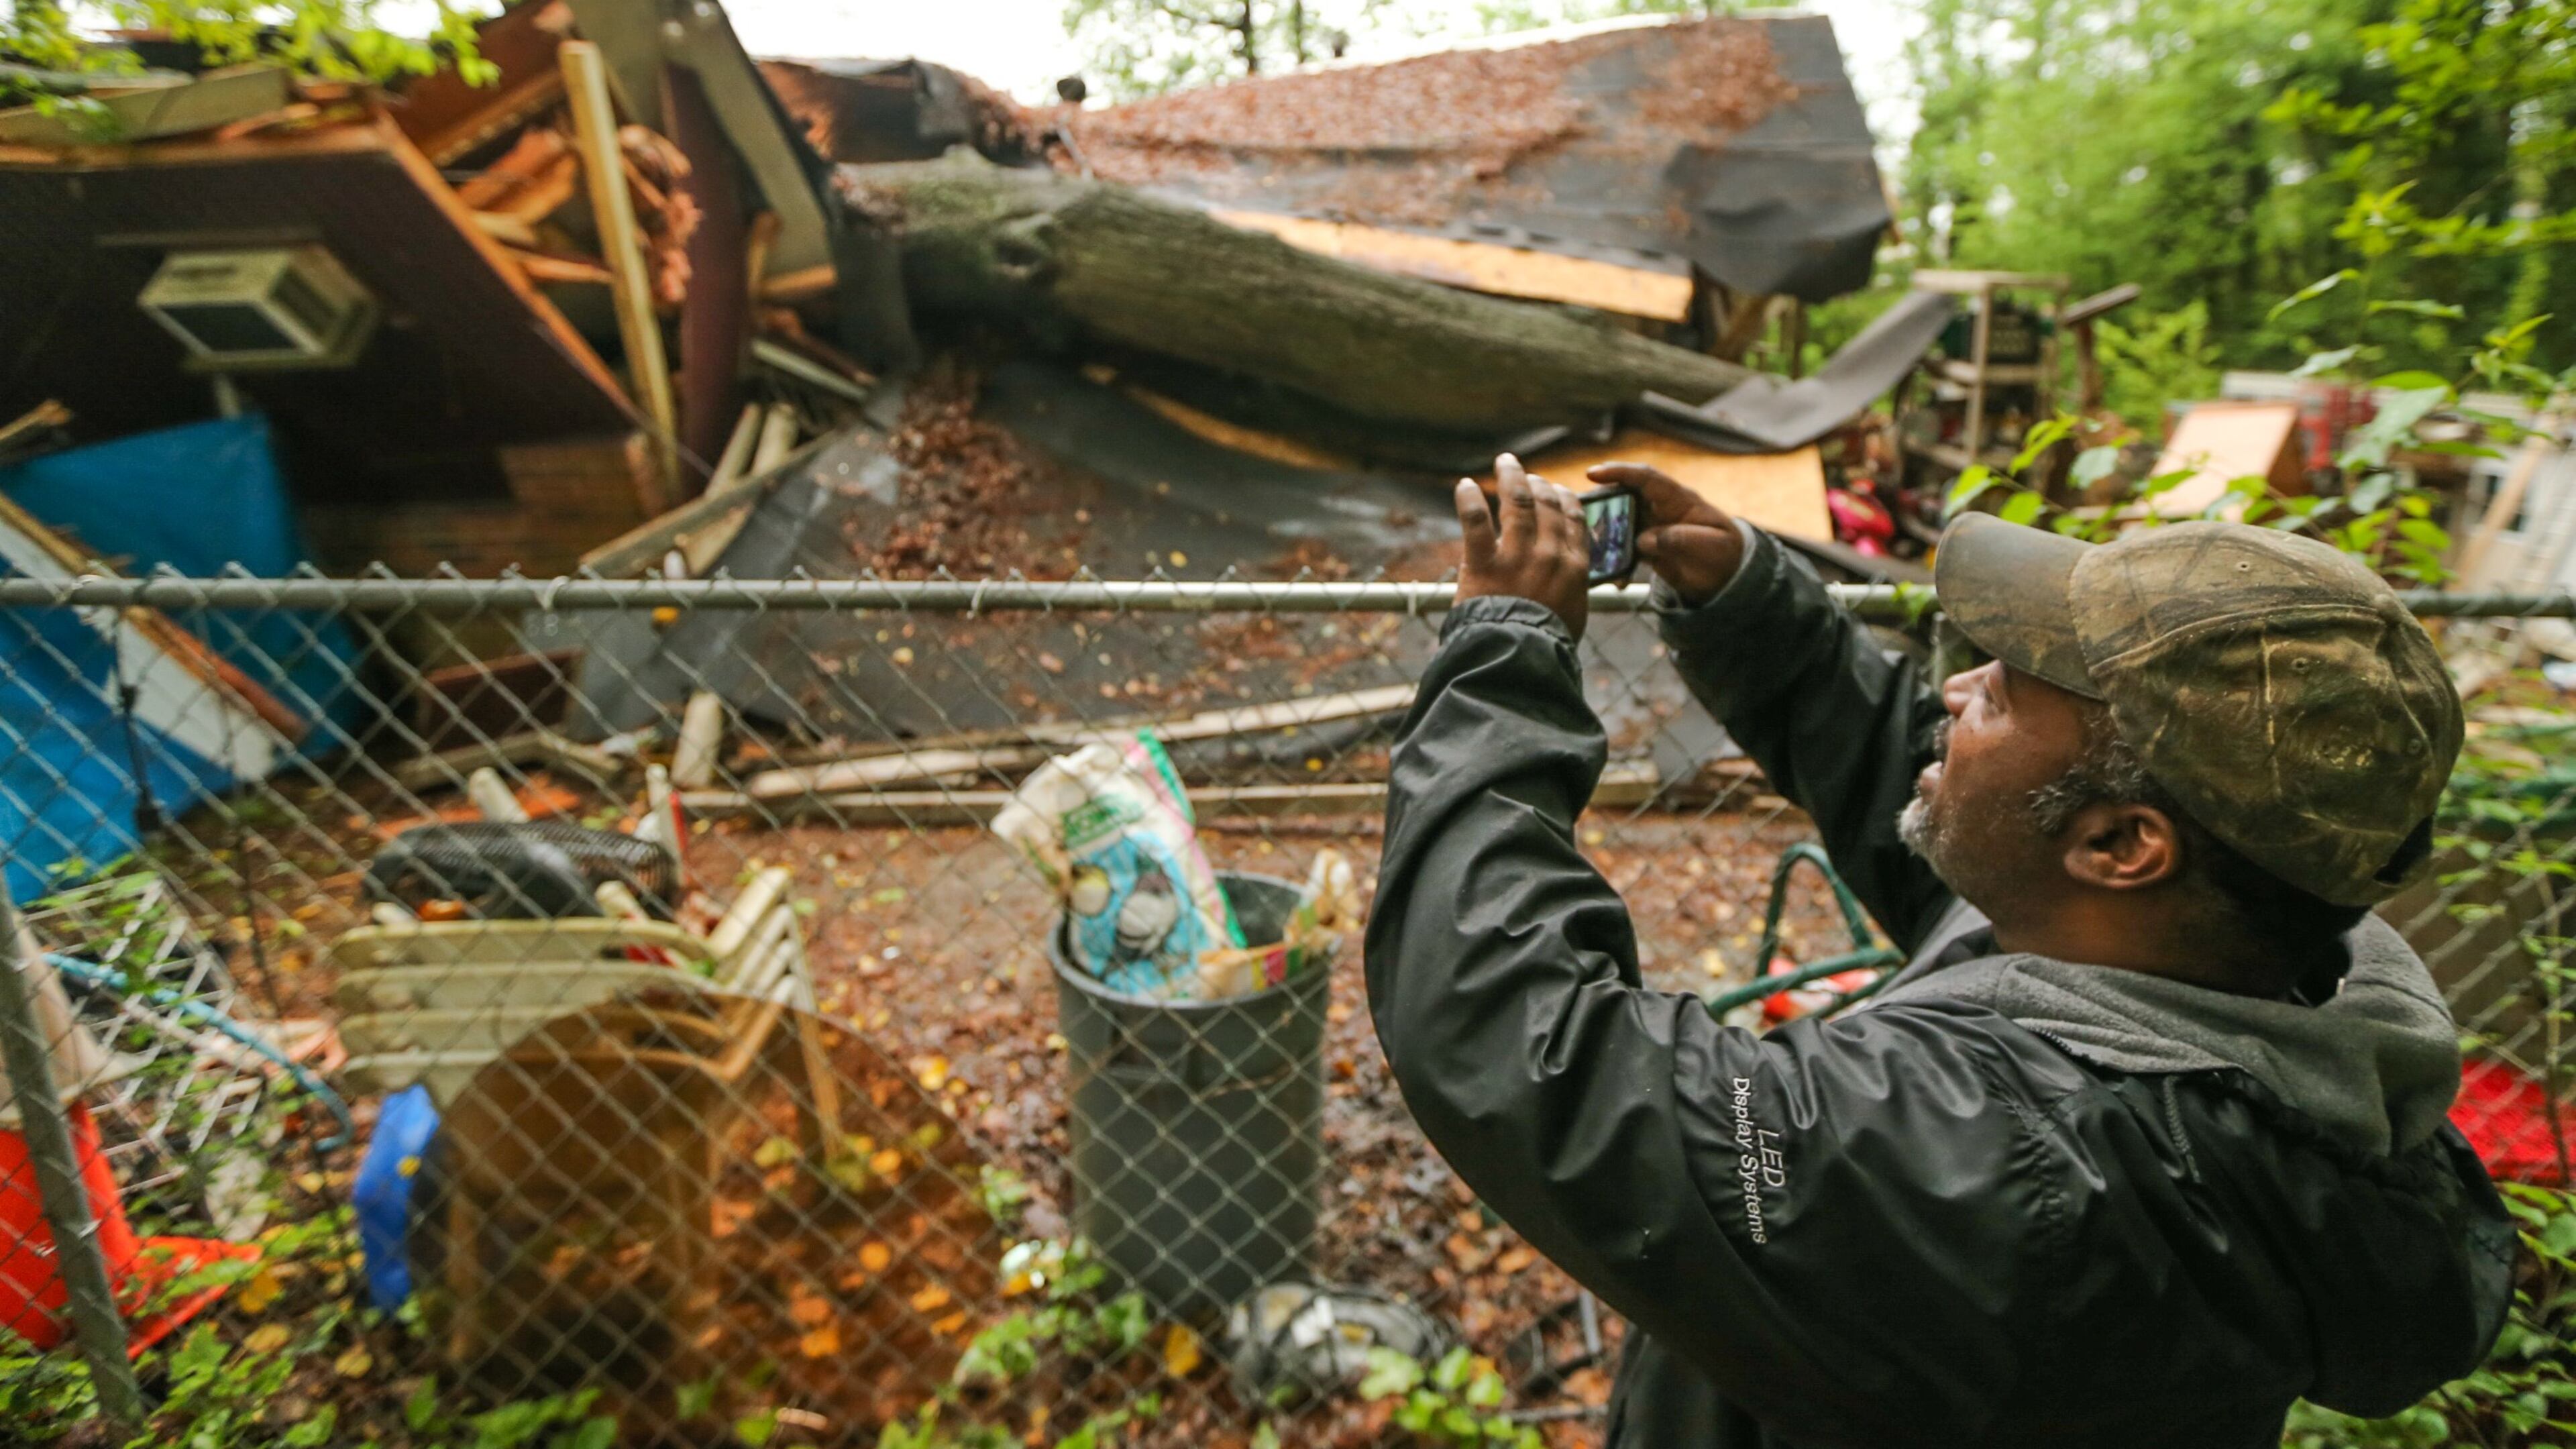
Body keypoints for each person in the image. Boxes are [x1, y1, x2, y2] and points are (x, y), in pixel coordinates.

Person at [1364, 454, 2513, 1448]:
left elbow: (1522, 1039)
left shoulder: (2002, 1174)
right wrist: (1755, 600)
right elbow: (1971, 825)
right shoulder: (2218, 967)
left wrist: (1505, 654)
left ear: (2122, 845)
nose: (1960, 686)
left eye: (2008, 695)